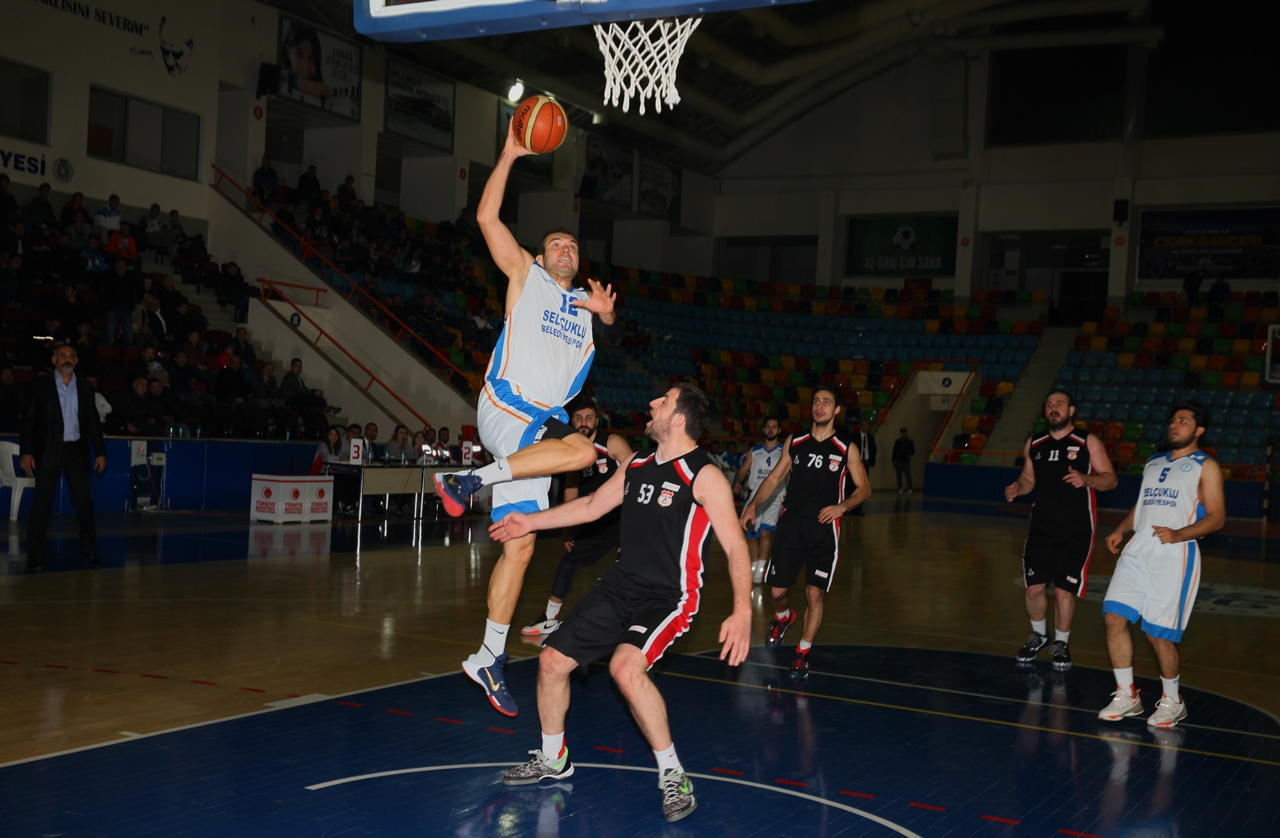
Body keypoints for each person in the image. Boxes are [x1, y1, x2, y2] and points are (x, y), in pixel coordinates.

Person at [490, 384, 751, 823]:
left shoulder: (703, 475)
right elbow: (592, 505)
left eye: (662, 401)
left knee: (625, 668)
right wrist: (527, 522)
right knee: (552, 661)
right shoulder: (637, 465)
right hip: (619, 585)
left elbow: (735, 545)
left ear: (680, 418)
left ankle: (673, 774)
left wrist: (743, 609)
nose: (650, 403)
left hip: (669, 596)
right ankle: (554, 758)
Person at [436, 117, 623, 716]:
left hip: (532, 436)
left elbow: (599, 339)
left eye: (572, 245)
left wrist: (607, 319)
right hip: (509, 408)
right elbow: (488, 220)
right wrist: (512, 154)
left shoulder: (585, 311)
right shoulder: (527, 274)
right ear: (542, 255)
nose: (565, 249)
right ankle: (468, 480)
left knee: (520, 545)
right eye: (556, 244)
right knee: (586, 450)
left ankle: (489, 655)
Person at [1097, 402, 1224, 729]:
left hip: (1175, 553)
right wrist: (1120, 530)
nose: (1174, 425)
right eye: (1173, 420)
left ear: (1198, 430)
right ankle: (1127, 695)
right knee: (1113, 617)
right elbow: (1143, 506)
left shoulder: (1205, 466)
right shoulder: (1153, 462)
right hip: (1139, 547)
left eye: (1183, 421)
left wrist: (1179, 533)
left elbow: (1217, 518)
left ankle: (1173, 700)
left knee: (1157, 636)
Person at [740, 388, 871, 677]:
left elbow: (864, 488)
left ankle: (802, 652)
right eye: (815, 402)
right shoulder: (795, 441)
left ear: (836, 410)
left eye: (827, 403)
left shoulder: (845, 447)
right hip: (792, 524)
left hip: (825, 529)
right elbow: (775, 477)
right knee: (776, 591)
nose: (820, 407)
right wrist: (752, 506)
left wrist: (843, 506)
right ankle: (784, 617)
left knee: (814, 595)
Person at [1005, 389, 1117, 671]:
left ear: (1071, 410)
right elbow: (1029, 477)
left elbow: (1110, 480)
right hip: (1041, 528)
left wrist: (1087, 479)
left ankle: (1062, 642)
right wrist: (1019, 487)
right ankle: (1040, 635)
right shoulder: (1034, 443)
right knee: (1033, 588)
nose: (1054, 408)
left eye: (1060, 404)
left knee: (1064, 592)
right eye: (1049, 405)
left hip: (1076, 530)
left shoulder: (1087, 441)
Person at [520, 396, 633, 638]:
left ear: (597, 421)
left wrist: (611, 495)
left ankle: (634, 619)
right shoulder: (573, 451)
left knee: (628, 565)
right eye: (579, 417)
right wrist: (567, 529)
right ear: (572, 420)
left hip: (625, 516)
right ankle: (550, 619)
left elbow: (637, 475)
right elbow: (570, 488)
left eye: (589, 417)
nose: (584, 422)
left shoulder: (612, 442)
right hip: (596, 517)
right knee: (569, 561)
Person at [19, 345, 107, 571]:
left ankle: (88, 549)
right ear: (53, 359)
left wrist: (100, 452)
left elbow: (93, 423)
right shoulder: (40, 384)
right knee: (42, 504)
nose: (67, 359)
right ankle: (34, 553)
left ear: (76, 361)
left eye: (71, 356)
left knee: (84, 502)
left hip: (76, 451)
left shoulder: (86, 387)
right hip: (47, 450)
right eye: (62, 355)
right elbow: (28, 420)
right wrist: (26, 451)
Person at [733, 415, 786, 585]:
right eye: (768, 426)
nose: (771, 429)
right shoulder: (755, 451)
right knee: (750, 535)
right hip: (755, 496)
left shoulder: (785, 451)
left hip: (775, 497)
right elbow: (743, 470)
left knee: (765, 533)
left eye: (774, 426)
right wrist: (737, 482)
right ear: (764, 430)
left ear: (779, 430)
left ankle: (761, 571)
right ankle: (754, 566)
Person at [851, 418, 877, 515]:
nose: (864, 426)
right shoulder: (854, 436)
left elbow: (874, 449)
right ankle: (852, 508)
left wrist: (870, 461)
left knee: (863, 486)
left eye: (866, 424)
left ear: (868, 426)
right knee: (853, 486)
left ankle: (859, 509)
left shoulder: (870, 437)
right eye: (862, 424)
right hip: (856, 464)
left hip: (865, 464)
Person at [892, 427, 916, 494]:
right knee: (898, 475)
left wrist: (910, 454)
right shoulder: (897, 442)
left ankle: (910, 488)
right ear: (900, 433)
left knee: (908, 475)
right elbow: (894, 451)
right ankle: (900, 488)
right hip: (898, 460)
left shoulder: (910, 442)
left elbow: (913, 450)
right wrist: (893, 460)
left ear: (906, 433)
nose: (904, 434)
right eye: (902, 433)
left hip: (906, 461)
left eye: (905, 433)